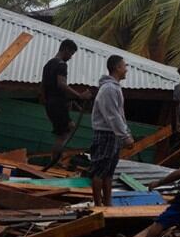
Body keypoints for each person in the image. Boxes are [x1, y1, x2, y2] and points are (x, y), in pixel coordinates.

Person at [89, 55, 134, 207]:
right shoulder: (109, 89)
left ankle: (107, 204)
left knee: (108, 172)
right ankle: (98, 205)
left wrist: (125, 132)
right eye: (124, 66)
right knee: (100, 171)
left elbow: (120, 115)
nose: (126, 70)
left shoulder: (114, 88)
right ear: (117, 68)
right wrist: (124, 136)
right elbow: (112, 115)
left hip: (112, 134)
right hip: (106, 133)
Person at [42, 39, 92, 168]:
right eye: (71, 54)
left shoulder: (48, 64)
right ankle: (56, 161)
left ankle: (55, 160)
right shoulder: (61, 64)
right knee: (65, 132)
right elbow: (61, 84)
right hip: (57, 104)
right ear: (66, 50)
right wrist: (79, 96)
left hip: (50, 103)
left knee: (65, 129)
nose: (70, 57)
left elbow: (45, 87)